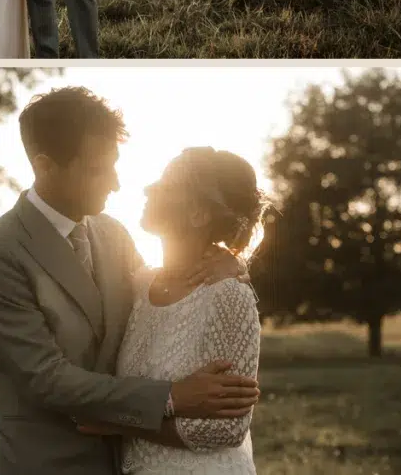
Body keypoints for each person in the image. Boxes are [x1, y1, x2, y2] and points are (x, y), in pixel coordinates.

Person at [0, 87, 260, 475]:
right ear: (45, 166)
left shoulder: (113, 235)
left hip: (127, 461)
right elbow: (46, 378)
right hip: (50, 463)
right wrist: (171, 396)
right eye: (98, 169)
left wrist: (233, 262)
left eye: (115, 164)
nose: (116, 183)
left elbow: (168, 290)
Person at [80, 147, 264, 474]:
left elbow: (227, 428)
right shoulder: (137, 285)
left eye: (167, 185)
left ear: (198, 214)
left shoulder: (229, 296)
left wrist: (119, 422)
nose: (148, 188)